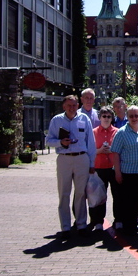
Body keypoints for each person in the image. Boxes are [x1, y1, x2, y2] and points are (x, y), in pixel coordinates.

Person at [46, 95, 96, 240]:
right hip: (64, 158)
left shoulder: (84, 119)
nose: (72, 108)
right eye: (69, 105)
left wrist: (92, 163)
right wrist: (61, 142)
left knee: (80, 193)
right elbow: (49, 140)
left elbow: (90, 142)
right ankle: (65, 227)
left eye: (74, 105)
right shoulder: (56, 120)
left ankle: (81, 225)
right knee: (64, 194)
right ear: (63, 106)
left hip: (81, 158)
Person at [111, 106, 138, 235]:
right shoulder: (121, 132)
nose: (134, 118)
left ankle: (133, 221)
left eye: (136, 116)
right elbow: (115, 153)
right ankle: (129, 224)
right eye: (131, 116)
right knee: (128, 200)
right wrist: (117, 172)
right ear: (127, 117)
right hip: (127, 172)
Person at [89, 106, 119, 232]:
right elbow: (89, 151)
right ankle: (97, 221)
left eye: (108, 116)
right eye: (104, 116)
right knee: (98, 196)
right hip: (99, 168)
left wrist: (112, 149)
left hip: (113, 168)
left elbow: (121, 149)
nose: (106, 119)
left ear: (112, 118)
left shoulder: (118, 132)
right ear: (99, 118)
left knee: (117, 195)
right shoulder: (93, 132)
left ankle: (118, 220)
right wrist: (99, 151)